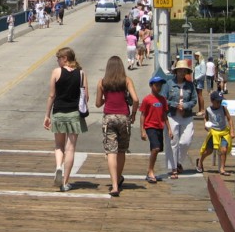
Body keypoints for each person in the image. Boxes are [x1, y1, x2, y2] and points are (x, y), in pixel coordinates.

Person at [43, 47, 88, 192]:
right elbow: (86, 97)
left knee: (58, 145)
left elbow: (51, 95)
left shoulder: (56, 72)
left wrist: (47, 115)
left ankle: (58, 167)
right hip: (74, 114)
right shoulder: (81, 74)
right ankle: (66, 182)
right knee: (70, 149)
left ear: (65, 59)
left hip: (59, 112)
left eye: (58, 58)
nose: (57, 61)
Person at [95, 56, 139, 196]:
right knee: (121, 150)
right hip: (124, 118)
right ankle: (118, 178)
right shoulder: (126, 80)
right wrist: (134, 114)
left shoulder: (102, 82)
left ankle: (114, 185)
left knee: (111, 152)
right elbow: (136, 99)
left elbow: (97, 103)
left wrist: (106, 99)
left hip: (109, 118)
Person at [163, 60, 198, 179]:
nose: (182, 72)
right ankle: (173, 168)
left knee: (186, 141)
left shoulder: (190, 85)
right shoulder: (168, 84)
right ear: (176, 71)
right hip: (172, 115)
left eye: (184, 70)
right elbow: (163, 99)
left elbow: (194, 100)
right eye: (180, 70)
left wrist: (186, 106)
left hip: (186, 115)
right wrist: (175, 104)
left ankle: (178, 162)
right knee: (173, 142)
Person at [140, 75, 173, 184]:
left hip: (160, 127)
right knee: (156, 148)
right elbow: (143, 115)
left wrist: (169, 129)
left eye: (160, 85)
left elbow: (165, 115)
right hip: (150, 126)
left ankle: (150, 171)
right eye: (156, 85)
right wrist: (142, 130)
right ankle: (150, 171)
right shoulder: (147, 99)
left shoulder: (163, 99)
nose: (158, 87)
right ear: (151, 86)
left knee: (156, 150)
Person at [196, 91, 235, 176]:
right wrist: (206, 125)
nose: (219, 103)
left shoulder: (223, 108)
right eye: (217, 101)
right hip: (214, 132)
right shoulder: (208, 110)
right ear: (212, 101)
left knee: (223, 150)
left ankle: (222, 168)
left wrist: (232, 130)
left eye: (220, 101)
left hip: (223, 131)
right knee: (208, 151)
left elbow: (229, 119)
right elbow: (206, 118)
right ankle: (200, 161)